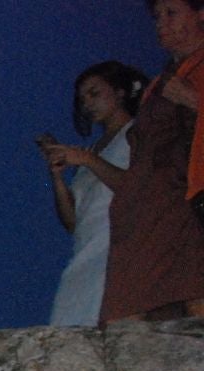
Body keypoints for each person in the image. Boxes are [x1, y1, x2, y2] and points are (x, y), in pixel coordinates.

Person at [52, 1, 204, 323]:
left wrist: (194, 101)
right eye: (156, 16)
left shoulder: (138, 122)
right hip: (130, 227)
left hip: (181, 204)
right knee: (129, 314)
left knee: (188, 295)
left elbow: (138, 175)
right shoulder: (158, 90)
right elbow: (75, 221)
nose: (161, 23)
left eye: (171, 13)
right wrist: (59, 175)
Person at [45, 63, 143, 326]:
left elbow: (137, 189)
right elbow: (73, 222)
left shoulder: (137, 134)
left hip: (119, 248)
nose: (88, 104)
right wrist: (57, 177)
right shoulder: (93, 151)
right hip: (85, 251)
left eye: (94, 93)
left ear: (120, 92)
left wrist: (87, 160)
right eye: (83, 99)